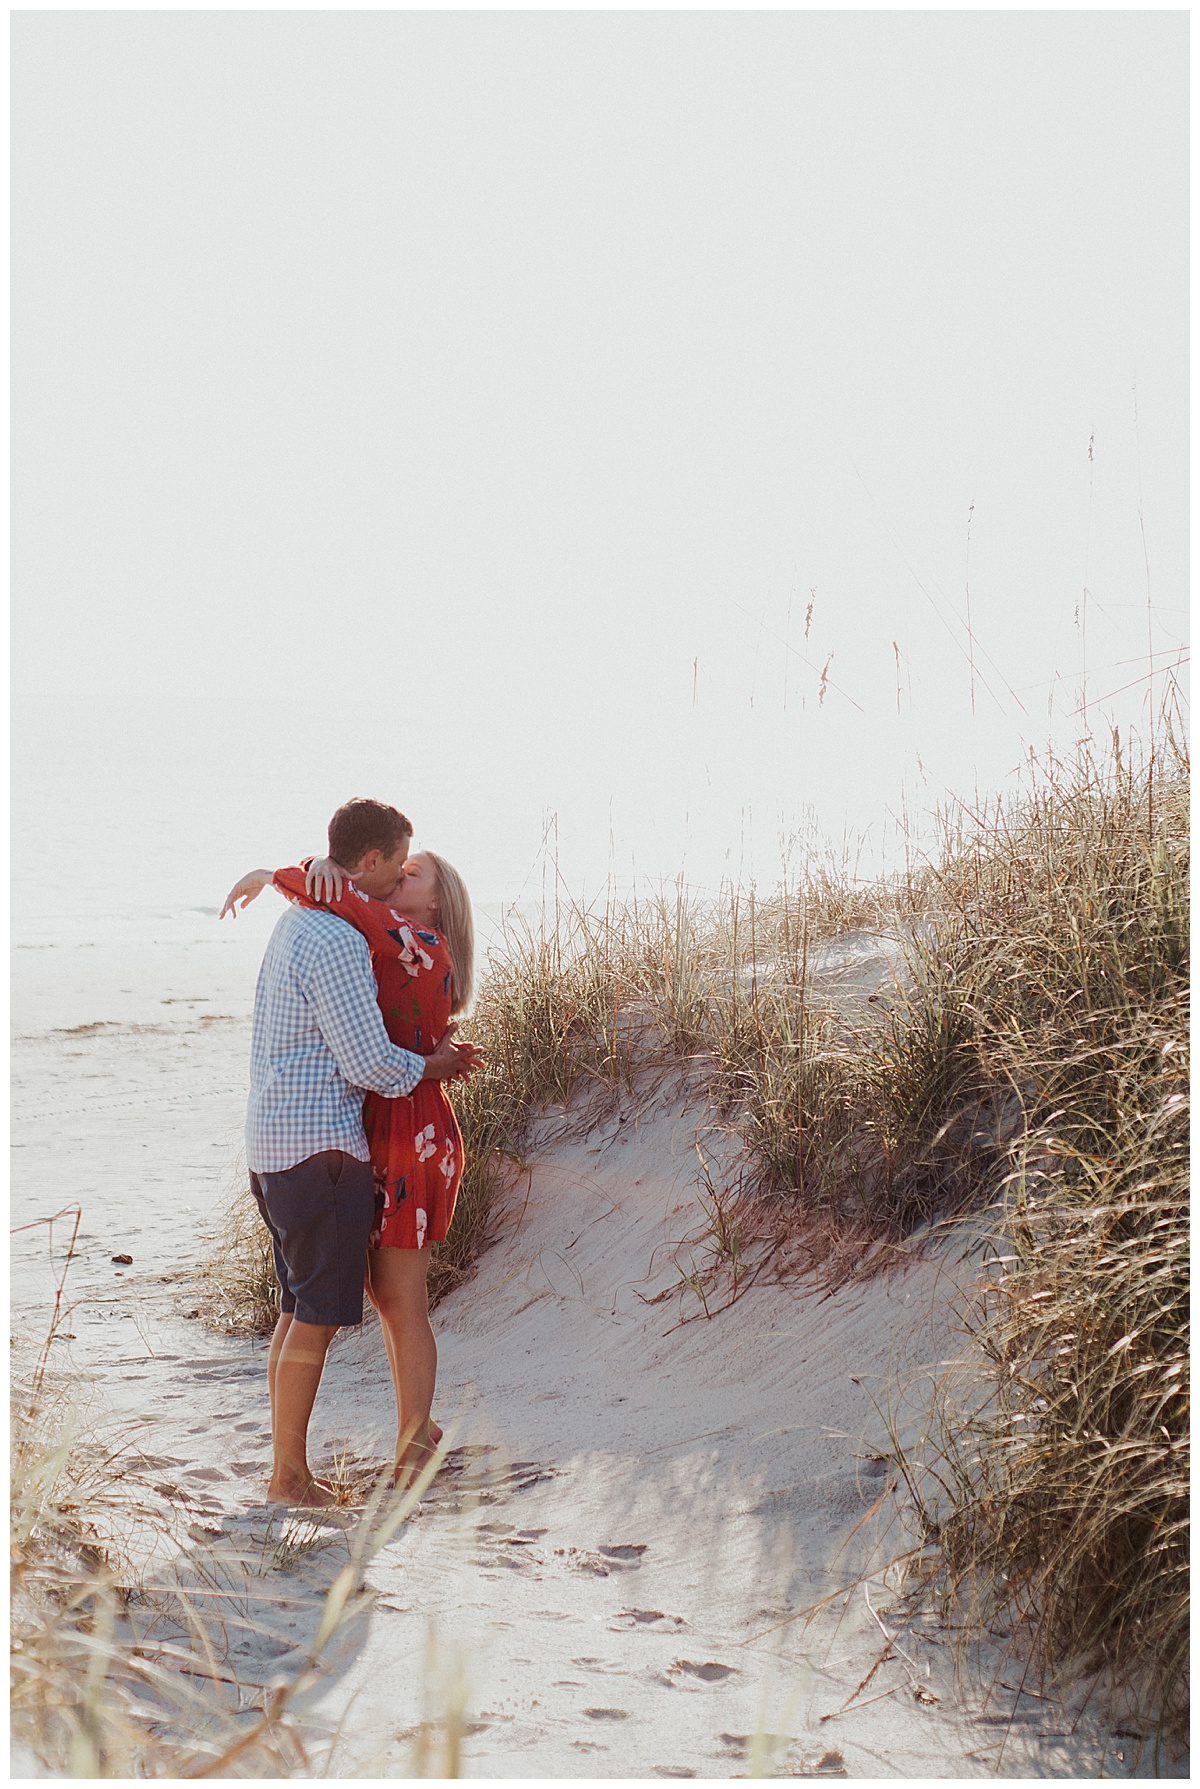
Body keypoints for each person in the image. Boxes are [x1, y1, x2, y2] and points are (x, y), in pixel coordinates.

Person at [221, 798, 482, 1509]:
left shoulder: (417, 946)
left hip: (402, 1132)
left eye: (415, 874)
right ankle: (296, 1471)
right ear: (372, 862)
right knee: (330, 1303)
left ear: (437, 901)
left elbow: (357, 910)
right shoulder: (357, 930)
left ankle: (405, 1441)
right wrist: (306, 870)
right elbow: (370, 1050)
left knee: (390, 1298)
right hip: (348, 1133)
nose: (401, 877)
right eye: (398, 865)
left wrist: (304, 874)